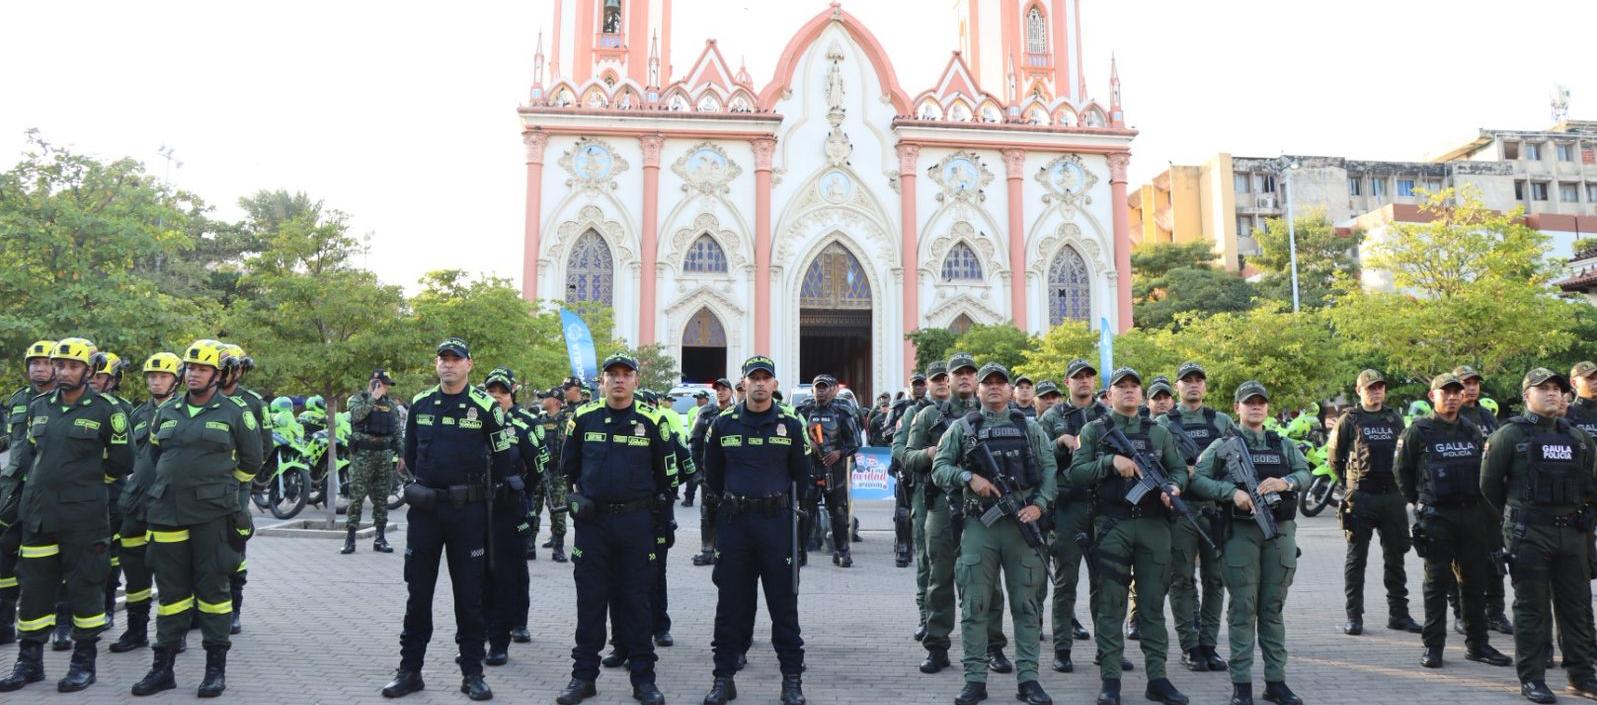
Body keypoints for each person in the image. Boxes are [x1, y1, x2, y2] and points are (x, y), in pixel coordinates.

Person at [130, 339, 263, 698]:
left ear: (217, 375)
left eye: (202, 369)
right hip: (167, 513)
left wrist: (223, 488)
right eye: (189, 368)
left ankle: (214, 670)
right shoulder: (167, 411)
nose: (193, 374)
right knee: (171, 593)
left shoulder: (236, 412)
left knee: (213, 592)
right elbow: (157, 455)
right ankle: (163, 669)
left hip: (212, 515)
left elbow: (252, 460)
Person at [380, 338, 512, 702]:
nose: (448, 365)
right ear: (436, 364)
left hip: (467, 513)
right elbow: (410, 454)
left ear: (470, 364)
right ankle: (410, 671)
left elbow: (504, 460)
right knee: (417, 593)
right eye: (443, 359)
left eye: (456, 359)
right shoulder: (422, 403)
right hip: (426, 512)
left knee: (469, 597)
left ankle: (472, 673)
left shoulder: (486, 407)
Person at [0, 338, 132, 693]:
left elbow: (122, 462)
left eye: (72, 366)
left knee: (85, 589)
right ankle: (29, 664)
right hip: (40, 515)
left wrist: (83, 484)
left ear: (89, 371)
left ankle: (82, 664)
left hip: (84, 518)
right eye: (59, 365)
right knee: (35, 590)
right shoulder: (38, 406)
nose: (63, 371)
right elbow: (31, 452)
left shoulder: (107, 410)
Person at [556, 354, 678, 705]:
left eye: (626, 375)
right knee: (590, 602)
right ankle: (583, 679)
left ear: (636, 381)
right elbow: (569, 467)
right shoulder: (582, 418)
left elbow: (668, 475)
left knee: (637, 603)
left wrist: (657, 518)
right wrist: (578, 497)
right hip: (594, 525)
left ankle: (643, 681)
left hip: (636, 525)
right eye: (613, 375)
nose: (619, 380)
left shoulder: (653, 420)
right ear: (602, 381)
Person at [932, 362, 1057, 705]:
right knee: (975, 604)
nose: (995, 388)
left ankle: (1028, 679)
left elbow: (1049, 470)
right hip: (980, 526)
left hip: (1023, 524)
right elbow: (939, 469)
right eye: (988, 383)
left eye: (1002, 382)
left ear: (1011, 389)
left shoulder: (1029, 427)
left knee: (1026, 605)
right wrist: (968, 478)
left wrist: (1041, 505)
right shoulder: (962, 428)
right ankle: (975, 679)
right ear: (978, 389)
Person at [1068, 367, 1192, 705]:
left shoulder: (1159, 432)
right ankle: (1111, 681)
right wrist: (1110, 462)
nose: (1128, 391)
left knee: (1152, 605)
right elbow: (1076, 472)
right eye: (1120, 387)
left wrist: (1175, 487)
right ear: (1109, 395)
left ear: (1141, 393)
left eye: (1134, 386)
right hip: (1112, 525)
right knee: (1111, 606)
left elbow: (1179, 468)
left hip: (1154, 525)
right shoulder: (1093, 431)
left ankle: (1158, 679)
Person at [1186, 381, 1309, 705]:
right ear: (1237, 408)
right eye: (1248, 402)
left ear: (1267, 408)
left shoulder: (1281, 444)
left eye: (1261, 402)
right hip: (1240, 533)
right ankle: (1241, 686)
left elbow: (1304, 471)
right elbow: (1196, 479)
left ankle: (1276, 682)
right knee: (1243, 608)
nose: (1255, 407)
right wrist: (1232, 493)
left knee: (1272, 608)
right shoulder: (1222, 445)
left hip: (1278, 531)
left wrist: (1286, 481)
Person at [1481, 368, 1597, 704]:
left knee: (1576, 607)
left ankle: (1581, 676)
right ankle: (1532, 679)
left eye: (1557, 389)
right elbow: (1489, 485)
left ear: (1565, 396)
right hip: (1529, 534)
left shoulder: (1578, 438)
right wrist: (1517, 515)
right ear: (1526, 395)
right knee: (1531, 610)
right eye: (1542, 388)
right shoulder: (1509, 435)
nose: (1551, 393)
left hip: (1573, 534)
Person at [699, 355, 808, 705]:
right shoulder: (723, 423)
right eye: (754, 377)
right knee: (729, 606)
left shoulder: (791, 423)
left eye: (766, 378)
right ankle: (723, 679)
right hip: (735, 525)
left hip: (776, 526)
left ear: (774, 384)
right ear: (743, 383)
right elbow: (712, 474)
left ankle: (791, 681)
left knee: (784, 608)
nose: (760, 383)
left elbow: (802, 477)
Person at [1392, 374, 1513, 670]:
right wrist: (1418, 503)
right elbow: (1402, 472)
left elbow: (1486, 473)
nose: (1452, 397)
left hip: (1471, 516)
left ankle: (1478, 644)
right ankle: (1433, 647)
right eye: (1445, 392)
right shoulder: (1418, 431)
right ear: (1432, 395)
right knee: (1436, 584)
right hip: (1436, 517)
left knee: (1474, 583)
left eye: (1456, 392)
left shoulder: (1471, 430)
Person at [909, 353, 1011, 675]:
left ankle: (994, 647)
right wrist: (930, 453)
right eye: (958, 374)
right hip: (941, 503)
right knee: (940, 579)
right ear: (947, 380)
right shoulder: (928, 416)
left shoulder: (992, 415)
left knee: (989, 581)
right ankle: (937, 646)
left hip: (983, 508)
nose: (965, 378)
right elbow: (906, 456)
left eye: (971, 373)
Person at [1328, 369, 1420, 636]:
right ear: (1359, 391)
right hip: (1362, 497)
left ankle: (1399, 615)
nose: (1375, 391)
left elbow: (1404, 457)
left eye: (1379, 387)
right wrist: (1352, 485)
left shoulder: (1394, 418)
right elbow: (1335, 460)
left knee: (1396, 557)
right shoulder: (1349, 420)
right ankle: (1354, 616)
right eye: (1370, 388)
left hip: (1392, 497)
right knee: (1356, 559)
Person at [1157, 362, 1233, 674]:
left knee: (1215, 581)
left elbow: (1235, 462)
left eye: (1198, 380)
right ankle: (1190, 646)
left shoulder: (1221, 420)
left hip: (1215, 511)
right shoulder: (1162, 422)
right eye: (1187, 381)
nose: (1193, 385)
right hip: (1180, 513)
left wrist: (1203, 475)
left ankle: (1209, 645)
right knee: (1182, 580)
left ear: (1205, 386)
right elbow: (1153, 464)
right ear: (1177, 387)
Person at [108, 352, 181, 655]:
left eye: (162, 376)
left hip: (170, 505)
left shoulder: (185, 412)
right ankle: (136, 631)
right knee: (134, 570)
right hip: (136, 503)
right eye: (151, 376)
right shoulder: (137, 414)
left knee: (171, 573)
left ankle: (174, 634)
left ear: (175, 380)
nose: (156, 381)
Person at [1036, 358, 1105, 673]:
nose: (1084, 381)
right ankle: (1062, 649)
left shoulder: (1106, 415)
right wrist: (1059, 443)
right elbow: (1037, 459)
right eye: (1078, 377)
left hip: (1105, 506)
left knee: (1106, 583)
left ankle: (1108, 648)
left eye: (1089, 376)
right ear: (1067, 382)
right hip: (1068, 507)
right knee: (1066, 582)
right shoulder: (1052, 416)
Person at [482, 367, 545, 666]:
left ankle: (511, 626)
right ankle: (478, 632)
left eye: (502, 393)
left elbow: (537, 468)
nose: (496, 398)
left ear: (511, 396)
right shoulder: (474, 423)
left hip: (510, 510)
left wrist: (519, 493)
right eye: (491, 392)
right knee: (478, 575)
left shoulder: (523, 425)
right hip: (477, 510)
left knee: (512, 572)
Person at [0, 339, 58, 646]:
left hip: (48, 491)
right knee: (3, 554)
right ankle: (4, 622)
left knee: (46, 559)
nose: (39, 367)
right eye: (33, 363)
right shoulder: (18, 399)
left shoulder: (63, 401)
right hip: (13, 487)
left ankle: (58, 625)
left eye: (45, 362)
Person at [895, 365, 945, 640]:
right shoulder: (915, 413)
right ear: (927, 383)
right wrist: (927, 454)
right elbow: (900, 450)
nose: (940, 384)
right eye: (935, 380)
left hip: (962, 494)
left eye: (943, 379)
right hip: (927, 493)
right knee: (927, 559)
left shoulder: (968, 410)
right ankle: (926, 617)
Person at [794, 374, 861, 567]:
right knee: (805, 512)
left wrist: (839, 453)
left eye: (825, 388)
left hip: (835, 471)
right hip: (810, 469)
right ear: (813, 390)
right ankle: (800, 553)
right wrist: (809, 445)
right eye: (818, 388)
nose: (821, 391)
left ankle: (842, 552)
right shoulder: (803, 410)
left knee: (838, 512)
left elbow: (855, 442)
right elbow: (793, 438)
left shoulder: (843, 411)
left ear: (834, 390)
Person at [344, 369, 402, 555]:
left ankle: (380, 537)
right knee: (357, 498)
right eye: (383, 384)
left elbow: (396, 432)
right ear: (374, 383)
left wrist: (401, 454)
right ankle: (350, 539)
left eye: (386, 385)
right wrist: (373, 398)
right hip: (363, 455)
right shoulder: (358, 400)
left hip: (384, 456)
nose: (386, 388)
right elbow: (358, 416)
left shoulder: (390, 406)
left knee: (381, 498)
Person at [690, 378, 736, 567]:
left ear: (731, 392)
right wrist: (697, 472)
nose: (721, 392)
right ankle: (707, 550)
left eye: (724, 389)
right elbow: (695, 442)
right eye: (718, 389)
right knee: (707, 512)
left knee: (732, 511)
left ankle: (728, 550)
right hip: (709, 472)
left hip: (733, 473)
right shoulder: (706, 412)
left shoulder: (738, 413)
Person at [530, 388, 570, 562]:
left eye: (544, 398)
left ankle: (558, 547)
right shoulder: (538, 421)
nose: (541, 400)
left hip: (557, 474)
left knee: (558, 512)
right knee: (533, 509)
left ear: (555, 401)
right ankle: (529, 545)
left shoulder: (567, 421)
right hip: (540, 472)